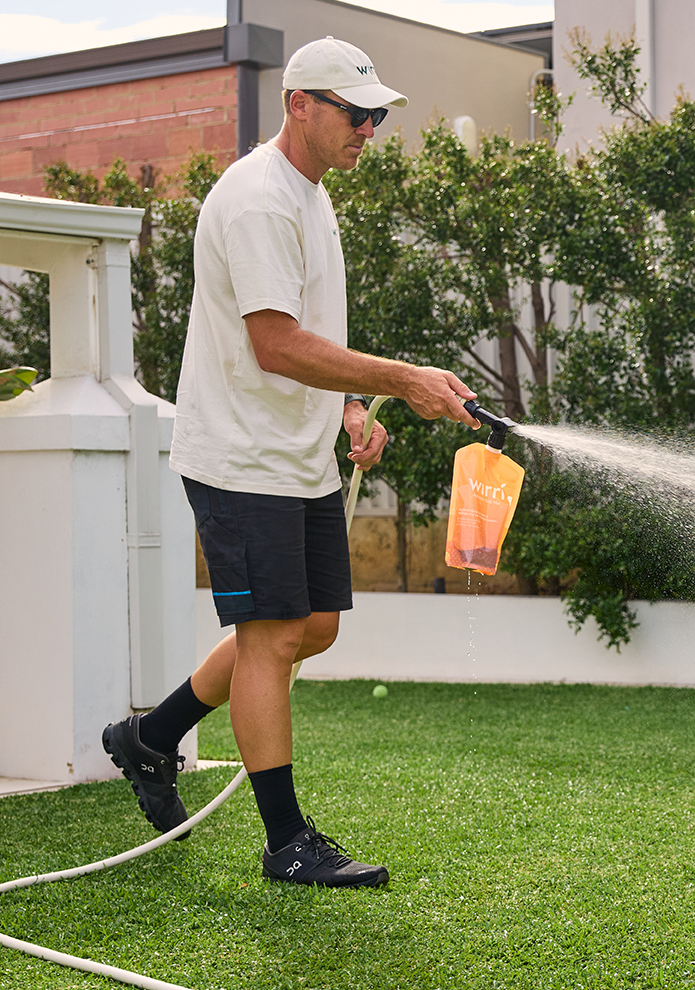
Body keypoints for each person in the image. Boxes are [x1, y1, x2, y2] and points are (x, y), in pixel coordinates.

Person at [101, 37, 480, 888]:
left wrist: (349, 406)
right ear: (299, 105)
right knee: (270, 639)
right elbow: (273, 346)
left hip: (296, 453)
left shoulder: (313, 196)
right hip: (241, 455)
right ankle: (286, 842)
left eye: (376, 115)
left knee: (313, 627)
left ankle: (149, 736)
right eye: (357, 113)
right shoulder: (260, 200)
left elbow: (307, 330)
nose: (369, 129)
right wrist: (401, 380)